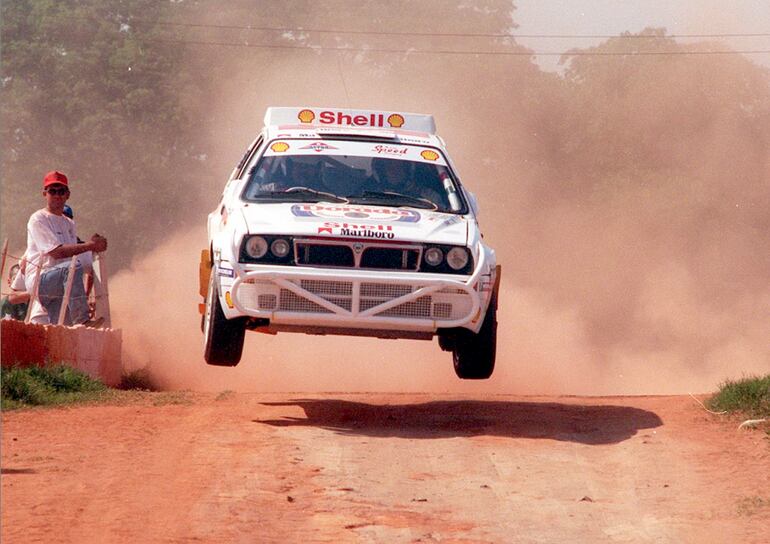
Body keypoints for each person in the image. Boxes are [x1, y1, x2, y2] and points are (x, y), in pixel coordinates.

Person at [26, 170, 107, 327]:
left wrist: (93, 247)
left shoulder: (69, 223)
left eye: (61, 191)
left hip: (61, 284)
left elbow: (75, 256)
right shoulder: (38, 219)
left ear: (67, 195)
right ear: (45, 193)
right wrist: (90, 245)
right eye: (52, 191)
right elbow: (57, 252)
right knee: (71, 267)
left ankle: (74, 328)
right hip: (41, 279)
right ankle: (82, 318)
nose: (57, 195)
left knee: (63, 328)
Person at [365, 158, 444, 205]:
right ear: (380, 171)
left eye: (398, 167)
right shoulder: (366, 194)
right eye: (389, 167)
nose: (394, 171)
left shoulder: (429, 196)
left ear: (408, 171)